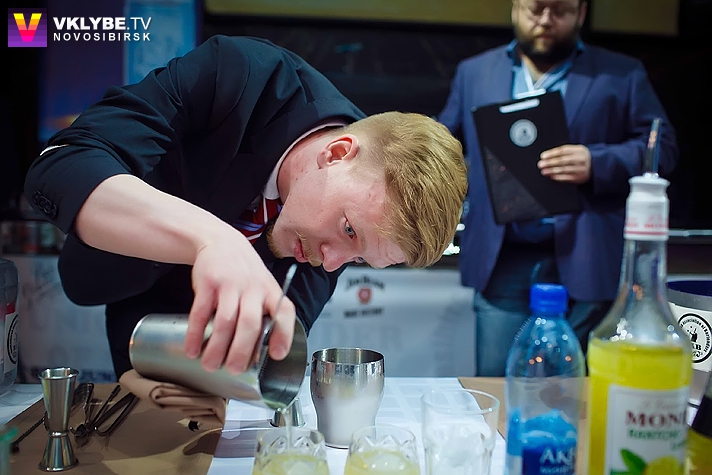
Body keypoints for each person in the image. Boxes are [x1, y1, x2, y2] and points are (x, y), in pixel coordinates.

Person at [24, 35, 468, 380]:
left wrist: (223, 379)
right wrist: (212, 239)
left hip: (172, 347)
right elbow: (61, 164)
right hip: (116, 273)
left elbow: (273, 347)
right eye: (349, 231)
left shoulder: (339, 231)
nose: (331, 263)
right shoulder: (239, 76)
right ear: (336, 154)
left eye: (358, 259)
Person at [438, 0, 679, 376]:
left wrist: (596, 162)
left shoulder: (621, 73)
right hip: (502, 256)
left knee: (575, 388)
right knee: (496, 381)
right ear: (515, 7)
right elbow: (442, 146)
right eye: (535, 9)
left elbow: (662, 148)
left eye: (560, 11)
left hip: (586, 255)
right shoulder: (475, 72)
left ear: (581, 13)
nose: (546, 20)